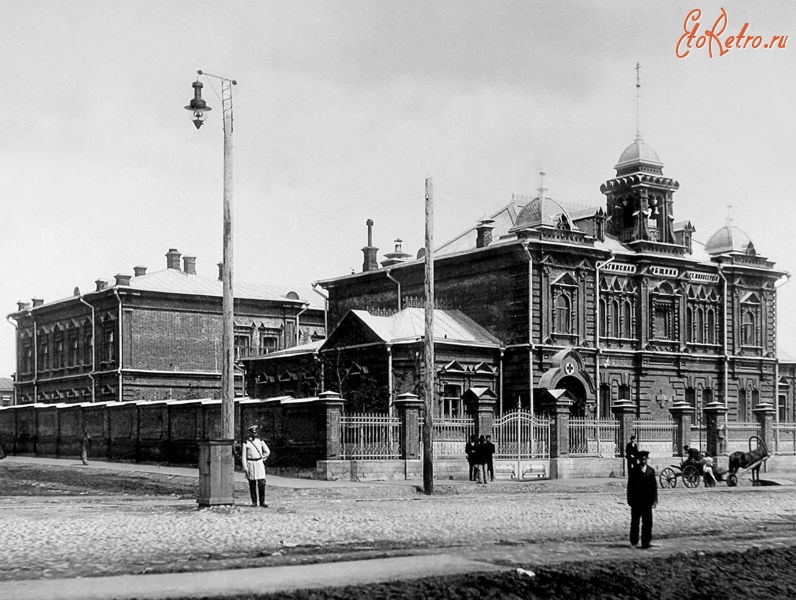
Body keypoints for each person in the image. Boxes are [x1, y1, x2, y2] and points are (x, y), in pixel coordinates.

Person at [627, 450, 658, 549]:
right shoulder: (634, 471)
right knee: (635, 522)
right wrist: (630, 500)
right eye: (641, 459)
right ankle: (634, 542)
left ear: (647, 460)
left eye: (645, 459)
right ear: (638, 460)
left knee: (648, 522)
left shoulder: (651, 471)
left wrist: (655, 500)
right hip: (636, 501)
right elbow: (630, 486)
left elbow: (654, 487)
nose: (643, 461)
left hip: (647, 502)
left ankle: (646, 542)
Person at [241, 425, 270, 507]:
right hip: (251, 464)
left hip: (259, 464)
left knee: (262, 483)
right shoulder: (246, 443)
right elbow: (244, 457)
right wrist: (245, 468)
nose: (254, 435)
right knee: (252, 483)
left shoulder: (260, 441)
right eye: (252, 433)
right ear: (249, 433)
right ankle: (254, 502)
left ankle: (262, 501)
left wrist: (262, 458)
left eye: (255, 433)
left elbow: (267, 451)